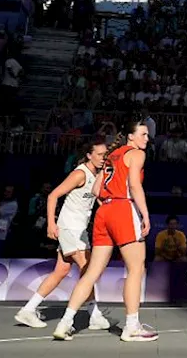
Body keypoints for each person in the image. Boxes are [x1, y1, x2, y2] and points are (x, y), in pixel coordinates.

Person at [52, 119, 157, 342]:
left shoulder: (111, 155)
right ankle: (131, 326)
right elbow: (135, 186)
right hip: (122, 207)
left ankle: (65, 323)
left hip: (104, 212)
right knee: (136, 269)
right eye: (144, 134)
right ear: (131, 136)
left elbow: (96, 189)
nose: (147, 138)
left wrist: (109, 207)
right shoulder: (136, 154)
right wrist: (145, 215)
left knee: (91, 272)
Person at [14, 136, 111, 331]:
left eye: (105, 155)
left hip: (79, 229)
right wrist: (51, 224)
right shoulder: (79, 174)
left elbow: (97, 200)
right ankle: (92, 315)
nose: (103, 158)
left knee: (61, 271)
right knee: (88, 270)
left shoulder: (96, 174)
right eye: (99, 155)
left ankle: (28, 309)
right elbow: (53, 195)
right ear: (89, 155)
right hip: (70, 228)